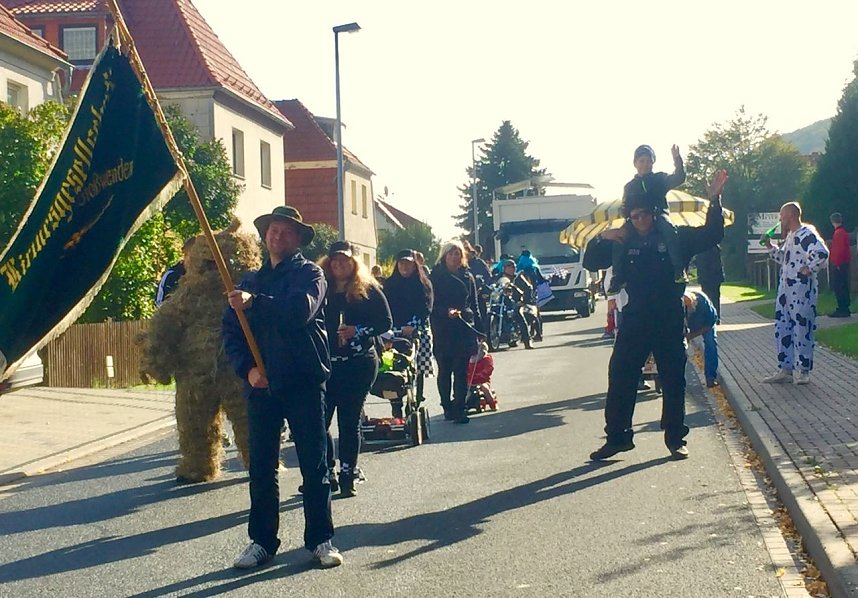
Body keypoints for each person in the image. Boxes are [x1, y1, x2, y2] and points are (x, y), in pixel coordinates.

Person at [222, 205, 342, 570]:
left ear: (297, 238)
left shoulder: (311, 275)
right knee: (260, 467)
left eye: (286, 231)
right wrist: (247, 371)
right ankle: (261, 542)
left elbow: (296, 314)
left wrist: (255, 304)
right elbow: (230, 333)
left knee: (314, 465)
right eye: (273, 230)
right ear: (265, 236)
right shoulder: (248, 282)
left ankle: (321, 539)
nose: (277, 236)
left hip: (304, 382)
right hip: (262, 386)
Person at [583, 170, 728, 461]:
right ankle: (618, 437)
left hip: (668, 317)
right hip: (636, 317)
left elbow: (713, 234)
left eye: (644, 215)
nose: (640, 221)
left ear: (654, 213)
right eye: (634, 216)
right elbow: (590, 261)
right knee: (621, 375)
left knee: (674, 380)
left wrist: (714, 199)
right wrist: (603, 237)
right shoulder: (622, 240)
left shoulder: (675, 237)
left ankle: (676, 438)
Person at [319, 241, 392, 497]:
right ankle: (325, 471)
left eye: (345, 260)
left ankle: (348, 473)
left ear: (353, 262)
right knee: (319, 421)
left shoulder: (367, 288)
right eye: (335, 260)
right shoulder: (320, 287)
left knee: (349, 421)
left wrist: (357, 331)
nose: (339, 265)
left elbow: (385, 322)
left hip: (358, 363)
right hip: (327, 365)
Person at [761, 202, 830, 385]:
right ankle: (786, 368)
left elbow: (822, 253)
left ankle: (804, 370)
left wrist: (809, 269)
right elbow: (784, 258)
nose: (780, 219)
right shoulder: (792, 236)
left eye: (782, 215)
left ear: (790, 215)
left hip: (801, 291)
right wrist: (769, 247)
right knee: (783, 326)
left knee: (802, 328)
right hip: (785, 292)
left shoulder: (806, 234)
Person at [607, 144, 686, 294]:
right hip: (636, 218)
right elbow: (626, 206)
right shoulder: (629, 186)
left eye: (648, 161)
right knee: (619, 236)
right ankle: (618, 277)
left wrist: (677, 159)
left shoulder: (660, 178)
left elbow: (679, 177)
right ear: (635, 163)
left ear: (653, 163)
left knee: (669, 230)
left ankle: (678, 270)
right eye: (642, 161)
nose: (645, 164)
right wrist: (628, 219)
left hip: (658, 214)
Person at [430, 240, 483, 423]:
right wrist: (445, 312)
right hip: (443, 328)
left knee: (461, 371)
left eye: (458, 253)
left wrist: (480, 330)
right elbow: (430, 305)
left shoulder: (468, 276)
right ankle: (447, 406)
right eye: (451, 253)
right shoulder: (434, 276)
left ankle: (460, 407)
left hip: (463, 326)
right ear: (444, 256)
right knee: (444, 370)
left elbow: (475, 305)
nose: (454, 257)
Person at [382, 249, 434, 402]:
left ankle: (417, 397)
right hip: (395, 330)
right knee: (394, 363)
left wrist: (413, 326)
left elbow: (427, 308)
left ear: (414, 265)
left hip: (417, 328)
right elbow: (385, 307)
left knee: (416, 364)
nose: (405, 267)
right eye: (402, 263)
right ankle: (395, 400)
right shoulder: (390, 284)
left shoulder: (424, 284)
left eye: (408, 264)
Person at [694, 245, 724, 388]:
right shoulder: (701, 249)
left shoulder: (704, 305)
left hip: (705, 318)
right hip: (706, 278)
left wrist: (692, 335)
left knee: (710, 341)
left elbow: (709, 323)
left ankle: (710, 376)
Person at [683, 290, 719, 388]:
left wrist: (692, 335)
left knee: (710, 343)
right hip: (688, 325)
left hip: (706, 323)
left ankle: (710, 377)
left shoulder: (703, 303)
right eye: (685, 305)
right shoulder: (679, 306)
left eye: (689, 305)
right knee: (680, 349)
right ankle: (679, 379)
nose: (688, 307)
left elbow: (711, 321)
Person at [500, 259, 537, 349]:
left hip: (516, 302)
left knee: (519, 316)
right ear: (504, 268)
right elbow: (491, 283)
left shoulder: (518, 278)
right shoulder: (499, 277)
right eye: (509, 267)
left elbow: (529, 288)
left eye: (513, 267)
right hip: (501, 301)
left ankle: (527, 341)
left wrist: (524, 301)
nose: (511, 269)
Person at [155, 237, 194, 306]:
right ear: (185, 254)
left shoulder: (205, 275)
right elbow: (160, 303)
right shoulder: (172, 275)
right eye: (191, 255)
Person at [828, 212, 852, 317]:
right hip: (844, 263)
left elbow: (839, 250)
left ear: (833, 221)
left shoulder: (838, 233)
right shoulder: (843, 232)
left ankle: (842, 308)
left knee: (839, 286)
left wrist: (836, 263)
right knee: (843, 286)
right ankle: (844, 307)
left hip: (839, 264)